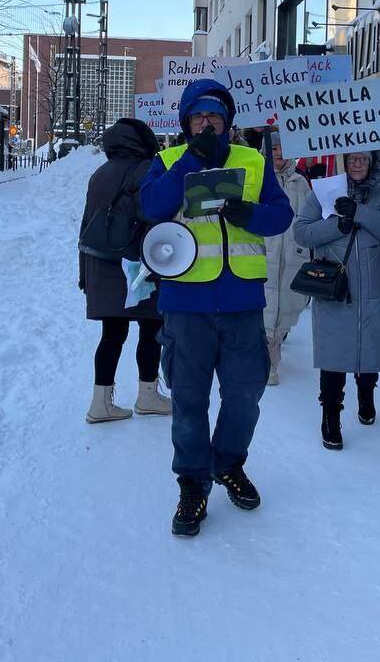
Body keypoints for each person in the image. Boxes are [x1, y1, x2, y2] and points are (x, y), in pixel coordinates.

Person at [139, 79, 292, 537]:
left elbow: (280, 214)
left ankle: (228, 463)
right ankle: (192, 483)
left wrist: (250, 214)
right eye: (198, 117)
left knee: (246, 395)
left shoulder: (252, 160)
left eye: (215, 117)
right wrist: (190, 160)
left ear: (227, 122)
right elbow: (151, 207)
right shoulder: (167, 160)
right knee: (189, 400)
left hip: (243, 300)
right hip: (187, 303)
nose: (207, 123)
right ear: (186, 123)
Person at [293, 150, 380, 450]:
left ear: (372, 163)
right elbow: (301, 233)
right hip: (335, 289)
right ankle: (331, 416)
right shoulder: (324, 190)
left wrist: (360, 213)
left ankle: (367, 394)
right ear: (343, 160)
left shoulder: (379, 193)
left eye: (363, 159)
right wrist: (336, 225)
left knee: (371, 346)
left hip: (372, 288)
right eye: (352, 158)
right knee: (333, 355)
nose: (357, 164)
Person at [78, 118, 172, 423]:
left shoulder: (99, 174)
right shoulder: (148, 170)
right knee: (150, 330)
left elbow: (86, 224)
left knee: (112, 334)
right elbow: (155, 217)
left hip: (101, 263)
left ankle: (100, 403)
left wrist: (83, 273)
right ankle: (147, 396)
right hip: (138, 264)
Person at [258, 128, 313, 386]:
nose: (277, 153)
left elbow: (309, 217)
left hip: (292, 254)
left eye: (282, 148)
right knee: (266, 309)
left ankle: (275, 342)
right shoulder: (255, 176)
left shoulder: (300, 182)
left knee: (286, 309)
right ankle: (268, 361)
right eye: (273, 148)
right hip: (264, 252)